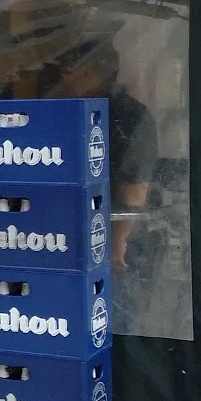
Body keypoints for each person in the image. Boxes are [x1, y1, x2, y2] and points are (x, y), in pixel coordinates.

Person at [43, 39, 157, 271]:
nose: (64, 78)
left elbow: (135, 189)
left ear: (89, 72)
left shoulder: (130, 117)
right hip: (64, 231)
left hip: (112, 238)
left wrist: (118, 238)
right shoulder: (68, 111)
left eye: (68, 70)